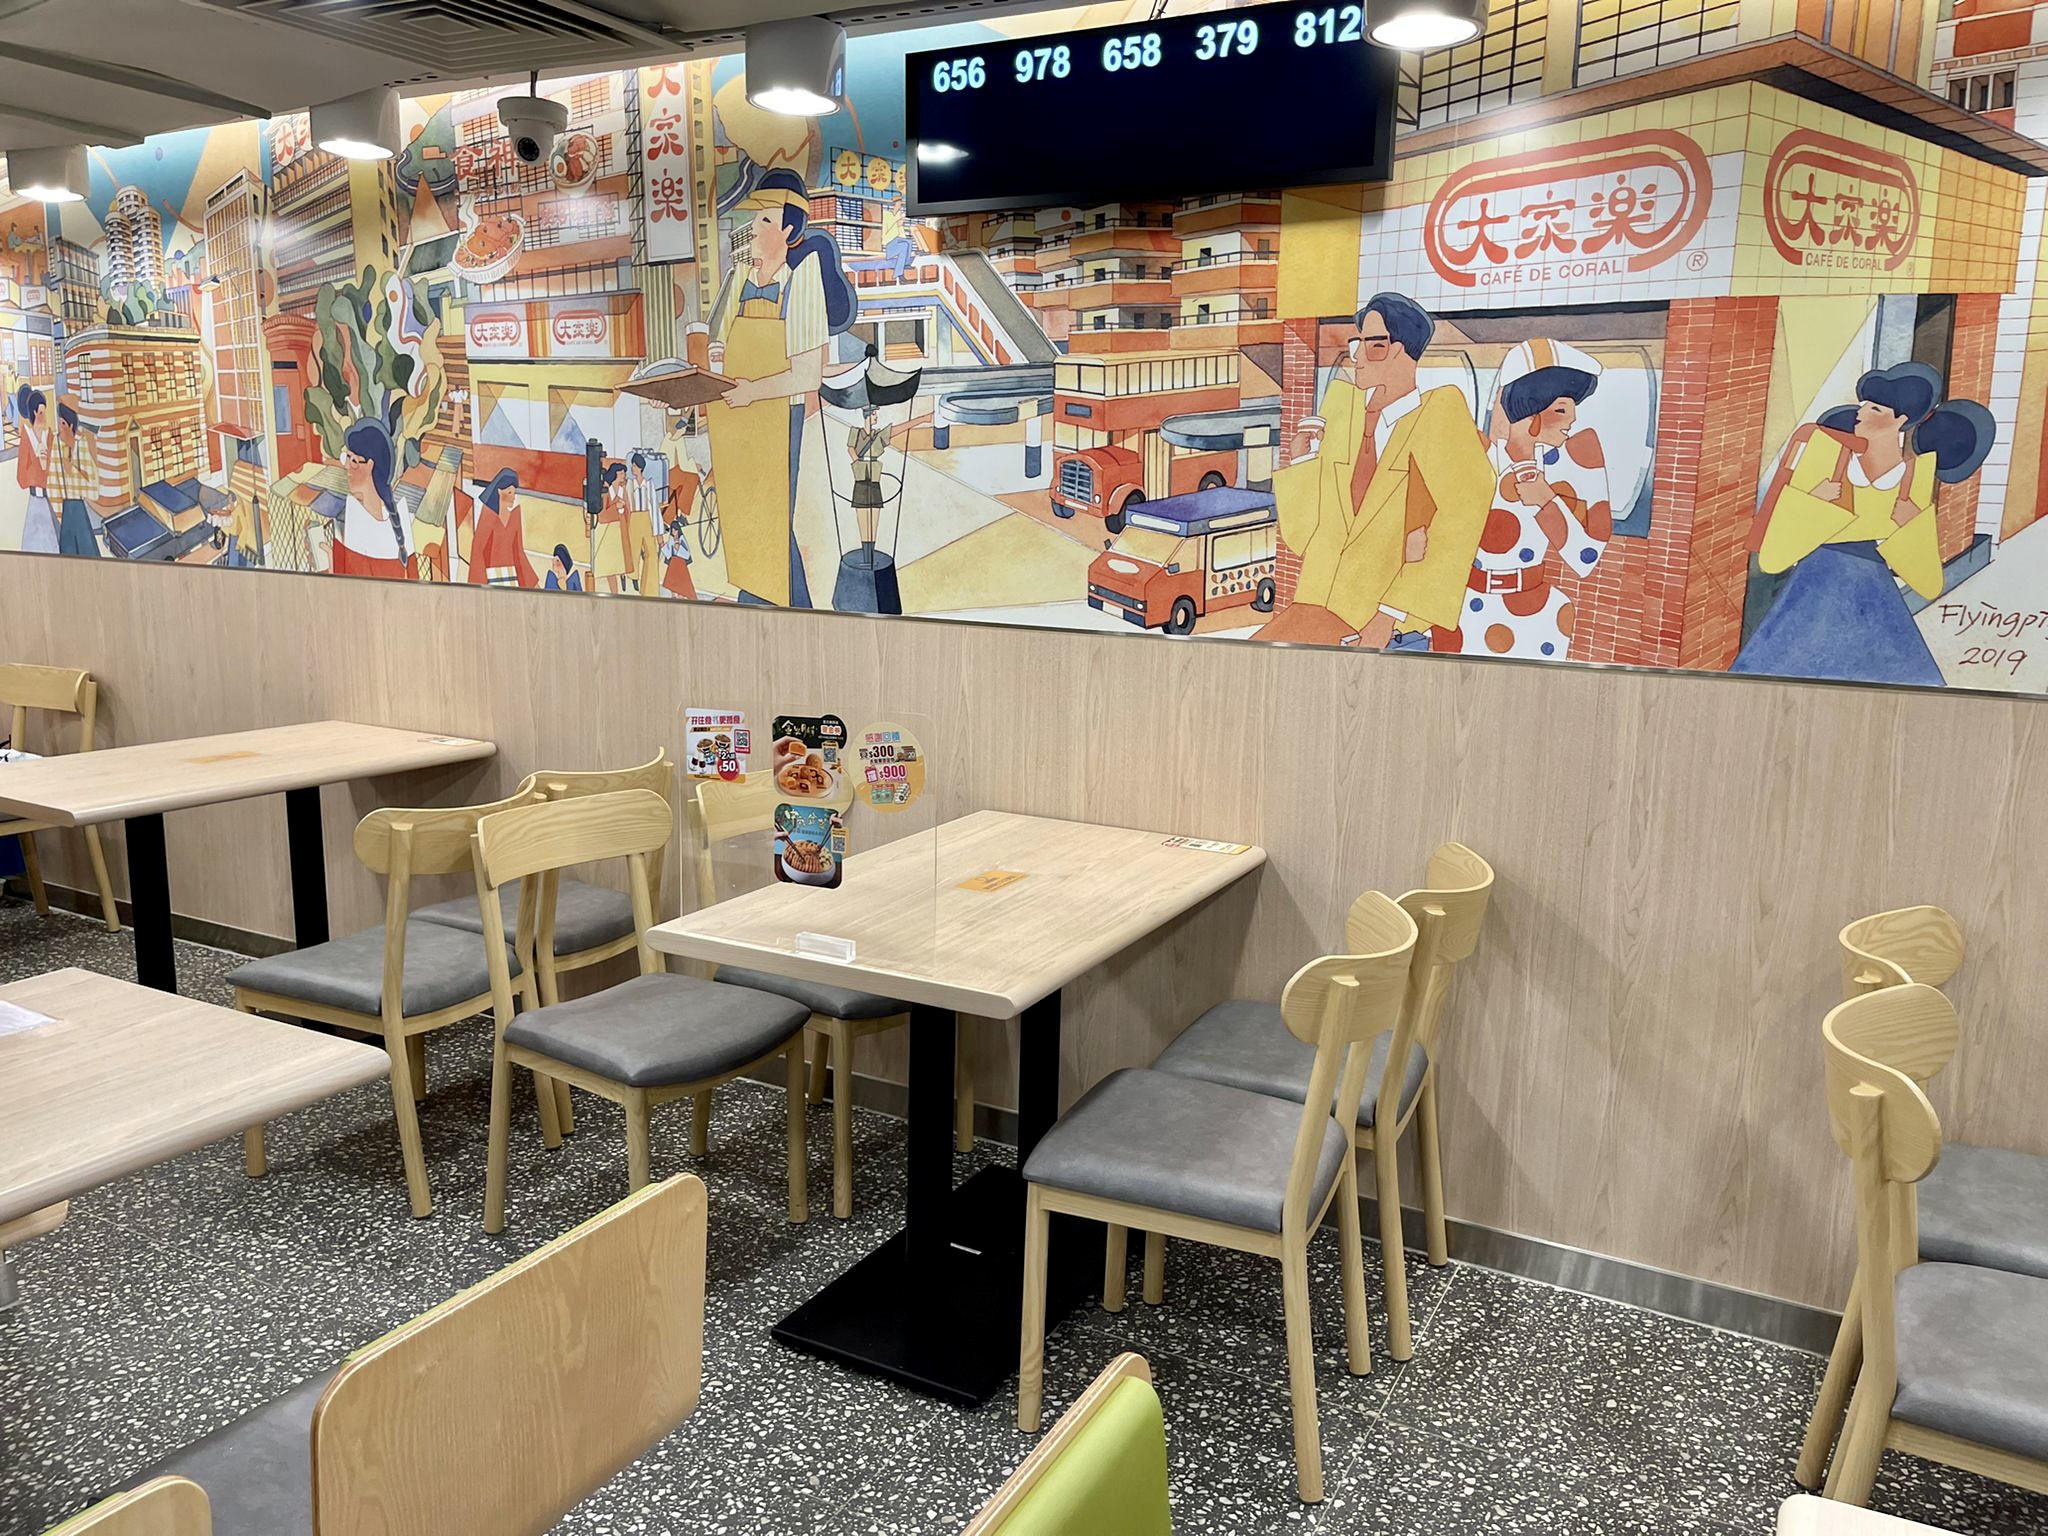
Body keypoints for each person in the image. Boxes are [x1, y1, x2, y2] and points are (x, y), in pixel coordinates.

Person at [1734, 362, 1994, 687]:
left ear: (1900, 420)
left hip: (1873, 599)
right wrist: (1813, 501)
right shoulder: (1829, 459)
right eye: (1863, 405)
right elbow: (1773, 559)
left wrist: (1912, 524)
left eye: (1874, 408)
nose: (1860, 412)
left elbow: (1929, 585)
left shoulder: (1913, 479)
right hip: (1812, 592)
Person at [1258, 293, 1493, 648]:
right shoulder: (1341, 415)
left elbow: (1461, 523)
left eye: (1374, 345)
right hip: (1313, 613)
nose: (1358, 357)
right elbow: (1303, 537)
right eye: (1358, 344)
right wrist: (1302, 463)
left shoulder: (1439, 417)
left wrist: (1389, 615)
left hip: (1388, 629)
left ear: (1402, 351)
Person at [704, 165, 856, 608]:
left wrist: (751, 390)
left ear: (789, 231)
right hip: (732, 416)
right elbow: (719, 345)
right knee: (742, 516)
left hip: (775, 416)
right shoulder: (740, 278)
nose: (754, 226)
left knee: (770, 517)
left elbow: (807, 376)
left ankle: (782, 608)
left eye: (765, 218)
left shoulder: (802, 280)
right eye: (755, 217)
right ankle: (765, 601)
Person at [1445, 340, 1611, 660]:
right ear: (1530, 407)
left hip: (1536, 618)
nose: (1572, 420)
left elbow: (1586, 559)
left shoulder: (1572, 462)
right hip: (1461, 610)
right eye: (1562, 409)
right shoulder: (1472, 455)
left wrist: (1546, 501)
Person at [331, 416, 412, 580]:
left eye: (354, 461)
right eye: (346, 458)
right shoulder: (396, 519)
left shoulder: (359, 522)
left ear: (370, 465)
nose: (347, 467)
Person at [467, 468, 538, 587]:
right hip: (492, 578)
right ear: (499, 491)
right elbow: (478, 550)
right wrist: (478, 586)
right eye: (510, 493)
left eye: (514, 493)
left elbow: (519, 553)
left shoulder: (515, 517)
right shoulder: (488, 515)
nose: (513, 497)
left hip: (512, 578)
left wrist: (534, 585)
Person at [49, 402, 100, 558]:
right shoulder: (56, 447)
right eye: (59, 423)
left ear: (70, 425)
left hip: (79, 508)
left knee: (87, 553)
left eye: (63, 424)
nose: (60, 428)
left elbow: (94, 489)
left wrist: (72, 470)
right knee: (68, 556)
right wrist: (60, 515)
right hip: (65, 511)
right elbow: (52, 485)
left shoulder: (81, 446)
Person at [14, 385, 58, 554]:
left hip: (52, 499)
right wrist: (38, 462)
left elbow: (55, 469)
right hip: (36, 501)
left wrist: (46, 463)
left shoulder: (49, 436)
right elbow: (21, 479)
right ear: (33, 413)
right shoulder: (27, 438)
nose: (44, 417)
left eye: (45, 412)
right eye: (41, 413)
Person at [591, 460, 632, 594]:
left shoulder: (622, 490)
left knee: (622, 561)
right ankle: (614, 592)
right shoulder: (606, 491)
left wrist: (623, 512)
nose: (624, 476)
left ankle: (622, 576)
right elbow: (602, 516)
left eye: (624, 473)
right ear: (614, 475)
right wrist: (617, 507)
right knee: (610, 566)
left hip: (621, 528)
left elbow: (628, 511)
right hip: (609, 531)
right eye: (621, 473)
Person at [626, 451, 662, 592]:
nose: (632, 468)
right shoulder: (629, 484)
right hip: (634, 520)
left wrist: (658, 533)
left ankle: (649, 587)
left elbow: (654, 508)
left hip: (647, 519)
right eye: (632, 465)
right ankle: (633, 577)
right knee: (633, 551)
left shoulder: (649, 484)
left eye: (634, 466)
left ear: (640, 467)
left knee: (651, 552)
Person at [882, 195, 916, 283]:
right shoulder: (887, 215)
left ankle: (906, 263)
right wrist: (897, 224)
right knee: (904, 246)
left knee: (909, 242)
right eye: (898, 204)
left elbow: (901, 234)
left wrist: (900, 223)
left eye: (901, 204)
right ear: (894, 204)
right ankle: (899, 274)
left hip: (897, 240)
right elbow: (885, 234)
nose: (900, 206)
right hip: (889, 244)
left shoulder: (899, 215)